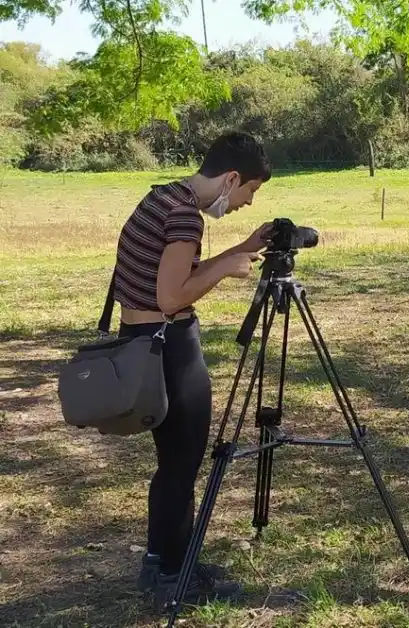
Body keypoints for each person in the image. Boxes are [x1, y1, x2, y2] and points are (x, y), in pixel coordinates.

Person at [111, 131, 272, 607]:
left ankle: (167, 562)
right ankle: (171, 578)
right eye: (250, 192)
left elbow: (170, 279)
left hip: (142, 343)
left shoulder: (163, 197)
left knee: (174, 466)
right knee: (181, 466)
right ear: (232, 178)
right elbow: (172, 297)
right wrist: (224, 269)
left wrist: (239, 248)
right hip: (169, 348)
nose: (245, 202)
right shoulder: (185, 217)